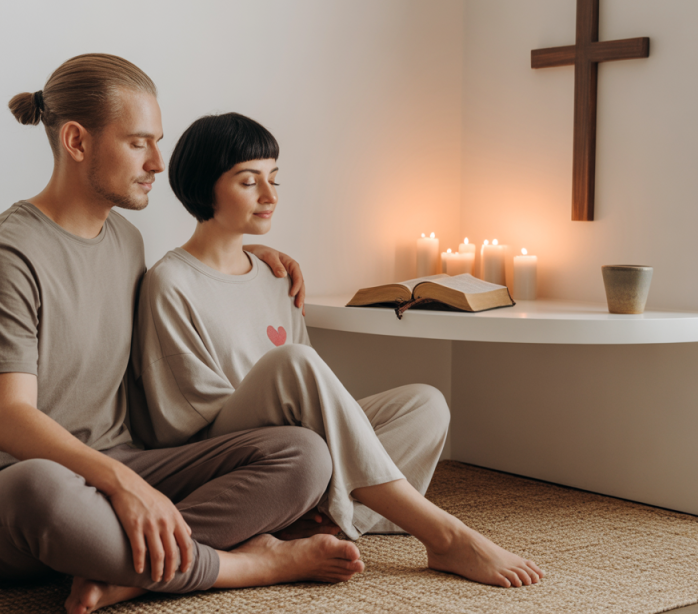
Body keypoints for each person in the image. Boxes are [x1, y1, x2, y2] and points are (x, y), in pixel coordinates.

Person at [0, 54, 366, 614]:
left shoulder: (127, 242)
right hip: (20, 486)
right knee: (43, 492)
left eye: (157, 143)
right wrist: (122, 484)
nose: (158, 163)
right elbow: (10, 421)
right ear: (76, 141)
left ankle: (134, 568)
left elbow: (182, 299)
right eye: (138, 143)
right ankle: (246, 564)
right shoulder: (6, 253)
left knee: (305, 454)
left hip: (129, 462)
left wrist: (248, 254)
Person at [132, 112, 545, 589]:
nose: (270, 196)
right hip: (219, 451)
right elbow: (178, 420)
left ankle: (319, 522)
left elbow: (305, 396)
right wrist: (277, 397)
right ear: (204, 187)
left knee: (425, 404)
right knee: (295, 362)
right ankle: (443, 534)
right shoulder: (170, 281)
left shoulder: (276, 276)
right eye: (249, 182)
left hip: (295, 450)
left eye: (273, 179)